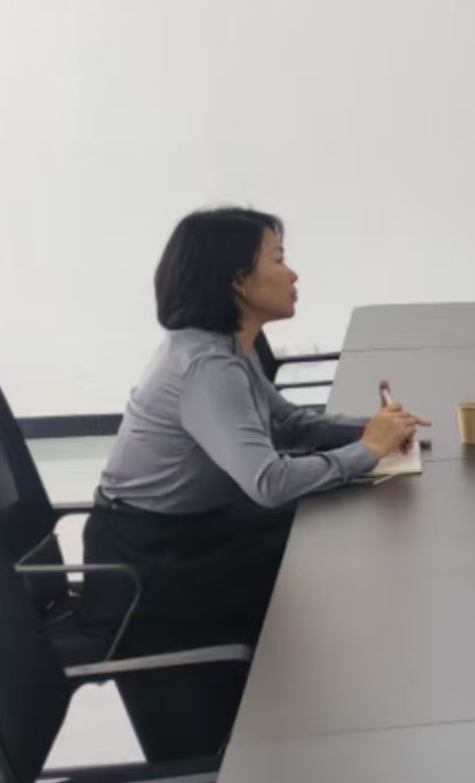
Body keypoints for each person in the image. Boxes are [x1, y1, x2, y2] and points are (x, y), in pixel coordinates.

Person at [85, 208, 426, 754]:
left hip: (189, 530)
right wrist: (366, 452)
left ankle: (340, 704)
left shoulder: (223, 345)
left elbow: (290, 425)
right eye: (279, 260)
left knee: (328, 539)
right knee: (321, 550)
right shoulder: (207, 367)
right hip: (154, 566)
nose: (293, 274)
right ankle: (319, 721)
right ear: (238, 281)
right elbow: (267, 481)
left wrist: (376, 429)